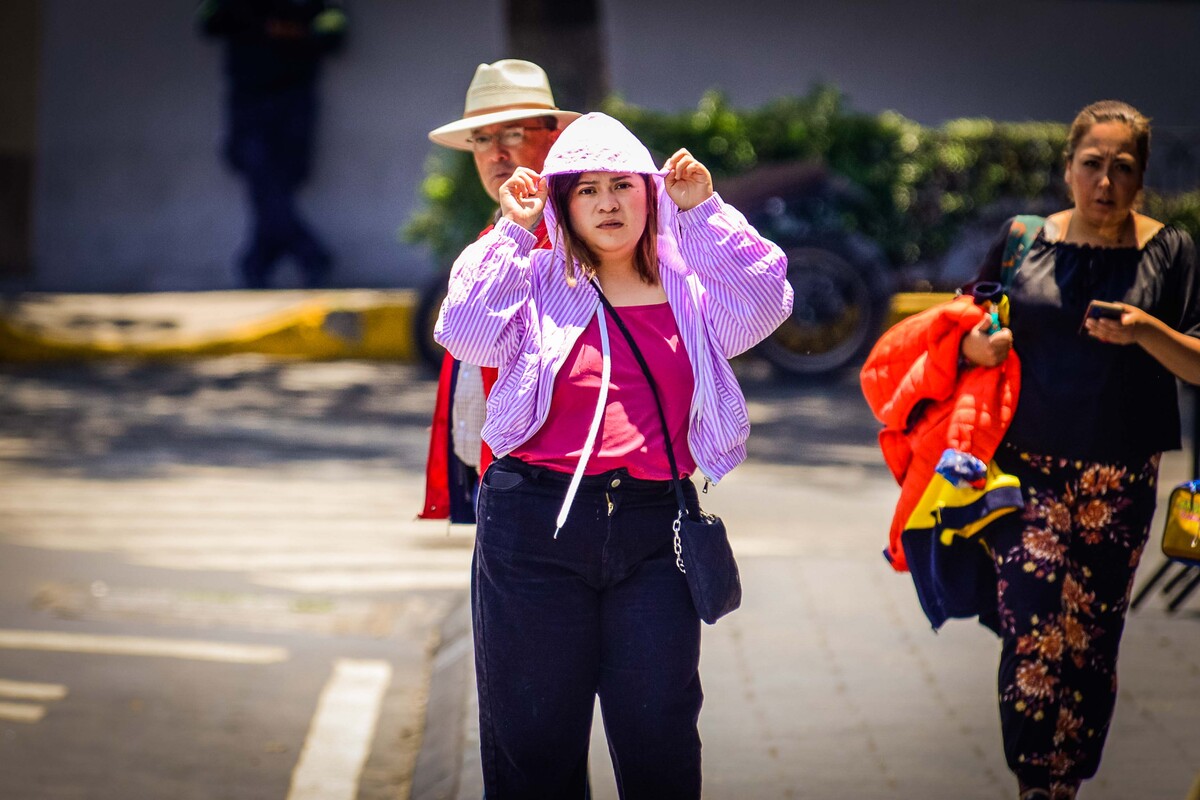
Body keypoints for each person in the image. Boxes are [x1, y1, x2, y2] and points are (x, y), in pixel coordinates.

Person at [435, 112, 791, 797]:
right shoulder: (538, 279)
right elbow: (467, 332)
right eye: (587, 189)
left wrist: (707, 211)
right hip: (533, 525)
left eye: (622, 185)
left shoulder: (689, 288)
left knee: (660, 734)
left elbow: (765, 303)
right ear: (565, 205)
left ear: (650, 194)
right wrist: (515, 231)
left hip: (654, 530)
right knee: (535, 740)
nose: (607, 202)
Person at [962, 100, 1200, 800]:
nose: (1105, 182)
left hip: (1120, 478)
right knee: (1033, 626)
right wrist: (978, 343)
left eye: (1122, 169)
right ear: (1068, 170)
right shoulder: (1023, 240)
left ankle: (1068, 780)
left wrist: (1144, 330)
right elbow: (968, 318)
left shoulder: (1171, 251)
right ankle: (1036, 782)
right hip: (1025, 468)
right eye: (1092, 165)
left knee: (1091, 639)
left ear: (1141, 179)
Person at [419, 59, 579, 523]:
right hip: (501, 479)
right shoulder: (500, 229)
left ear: (552, 136)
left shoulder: (577, 234)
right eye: (482, 139)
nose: (494, 154)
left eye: (511, 134)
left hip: (550, 479)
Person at [197, 0, 346, 289]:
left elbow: (335, 29)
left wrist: (298, 31)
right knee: (261, 179)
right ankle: (308, 255)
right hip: (249, 101)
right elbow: (208, 22)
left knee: (278, 186)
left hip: (293, 99)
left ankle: (258, 261)